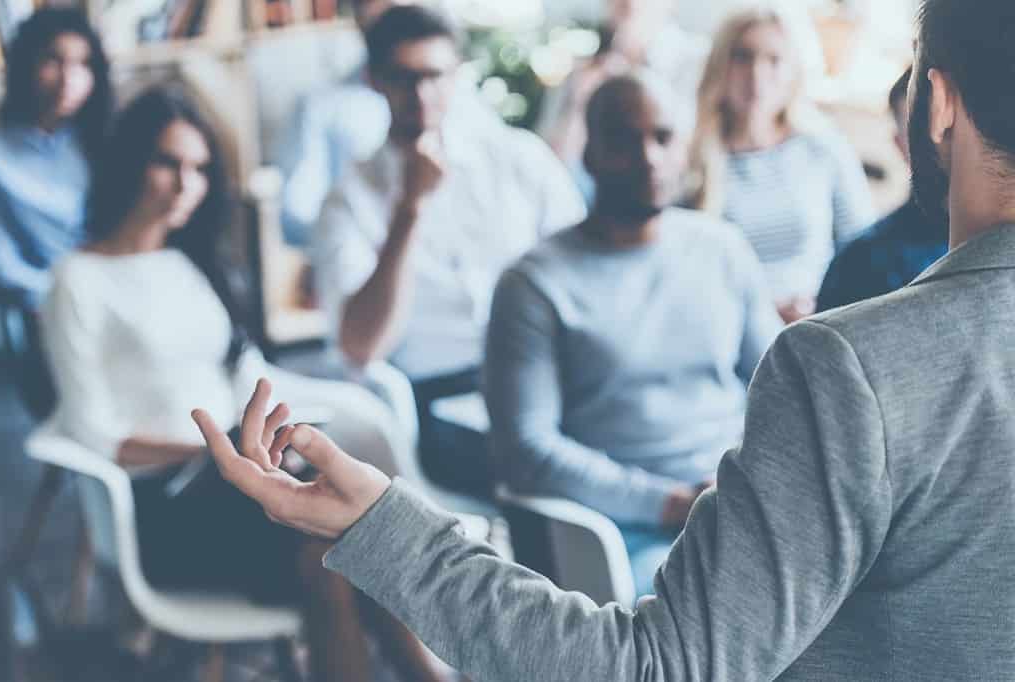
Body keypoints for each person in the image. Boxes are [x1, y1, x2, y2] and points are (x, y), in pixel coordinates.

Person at [197, 0, 1015, 678]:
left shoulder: (844, 366)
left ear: (935, 105)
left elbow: (658, 668)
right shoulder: (531, 276)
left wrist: (375, 521)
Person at [41, 86, 450, 682]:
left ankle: (434, 674)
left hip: (243, 487)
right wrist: (220, 455)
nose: (187, 184)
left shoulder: (187, 267)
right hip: (159, 508)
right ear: (129, 162)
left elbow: (247, 377)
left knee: (341, 541)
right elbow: (94, 434)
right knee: (339, 541)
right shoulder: (76, 281)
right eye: (167, 163)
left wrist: (278, 435)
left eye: (200, 168)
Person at [486, 72, 782, 597]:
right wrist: (669, 503)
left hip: (740, 503)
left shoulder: (722, 249)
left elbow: (781, 390)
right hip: (620, 532)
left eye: (663, 137)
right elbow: (528, 450)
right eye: (624, 139)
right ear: (590, 153)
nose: (648, 157)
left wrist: (747, 485)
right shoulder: (533, 284)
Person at [313, 4, 585, 498]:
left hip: (544, 370)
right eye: (404, 79)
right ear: (376, 81)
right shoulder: (351, 198)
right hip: (442, 395)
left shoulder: (516, 158)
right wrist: (409, 210)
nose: (421, 96)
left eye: (434, 76)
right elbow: (360, 345)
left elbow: (587, 269)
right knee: (545, 456)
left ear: (457, 74)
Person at [688, 6, 875, 323]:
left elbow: (864, 251)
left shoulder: (823, 148)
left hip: (817, 321)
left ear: (793, 71)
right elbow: (686, 273)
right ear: (721, 64)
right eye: (743, 57)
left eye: (773, 60)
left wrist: (823, 305)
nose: (757, 75)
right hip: (727, 324)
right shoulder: (693, 157)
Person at [277, 0, 497, 246]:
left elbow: (501, 169)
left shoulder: (460, 96)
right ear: (357, 16)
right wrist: (344, 237)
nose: (420, 95)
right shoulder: (320, 108)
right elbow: (294, 217)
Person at [0, 7, 112, 311]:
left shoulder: (101, 143)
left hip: (111, 293)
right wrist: (72, 302)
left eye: (82, 64)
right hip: (43, 308)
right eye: (54, 60)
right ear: (27, 64)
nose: (68, 79)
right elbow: (3, 267)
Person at [537, 0, 709, 199]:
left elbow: (689, 156)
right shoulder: (583, 72)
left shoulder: (696, 60)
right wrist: (579, 104)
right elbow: (549, 167)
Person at [816, 67, 948, 312]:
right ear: (900, 145)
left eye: (947, 127)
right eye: (918, 131)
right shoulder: (862, 262)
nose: (937, 141)